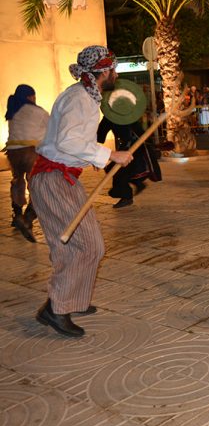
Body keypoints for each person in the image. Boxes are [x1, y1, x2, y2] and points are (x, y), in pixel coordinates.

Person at [29, 46, 133, 338]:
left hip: (62, 177)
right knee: (86, 245)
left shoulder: (85, 96)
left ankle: (71, 299)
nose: (116, 73)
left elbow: (72, 143)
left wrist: (94, 158)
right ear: (103, 71)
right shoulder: (79, 99)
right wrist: (110, 155)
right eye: (113, 68)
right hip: (52, 178)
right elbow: (67, 141)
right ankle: (56, 308)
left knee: (77, 246)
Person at [4, 84, 49, 242]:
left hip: (12, 152)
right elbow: (50, 131)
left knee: (17, 181)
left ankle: (16, 215)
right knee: (37, 185)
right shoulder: (38, 111)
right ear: (30, 96)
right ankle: (27, 219)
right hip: (31, 151)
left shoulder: (12, 111)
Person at [96, 118, 162, 207]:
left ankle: (127, 196)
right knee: (118, 170)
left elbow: (100, 136)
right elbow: (100, 135)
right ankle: (136, 185)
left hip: (136, 147)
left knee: (119, 171)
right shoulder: (111, 117)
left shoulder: (128, 115)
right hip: (129, 148)